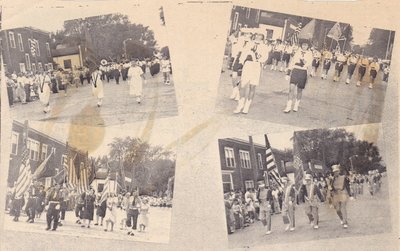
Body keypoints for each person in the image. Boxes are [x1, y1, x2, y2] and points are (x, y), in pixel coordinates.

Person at [233, 32, 264, 114]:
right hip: (247, 65)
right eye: (257, 35)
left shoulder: (264, 47)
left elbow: (264, 58)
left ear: (262, 38)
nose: (258, 37)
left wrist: (256, 55)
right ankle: (240, 105)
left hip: (256, 66)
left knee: (252, 87)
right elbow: (243, 55)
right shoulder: (249, 44)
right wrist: (241, 65)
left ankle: (246, 106)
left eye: (260, 36)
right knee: (242, 85)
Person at [283, 40, 313, 113]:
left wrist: (303, 62)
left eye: (306, 45)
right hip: (295, 71)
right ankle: (288, 106)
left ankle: (296, 105)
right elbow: (292, 62)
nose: (304, 46)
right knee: (291, 88)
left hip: (303, 71)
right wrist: (288, 72)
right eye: (303, 45)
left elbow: (308, 64)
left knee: (299, 90)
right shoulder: (297, 52)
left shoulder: (309, 54)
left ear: (308, 46)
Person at [329, 164, 352, 228]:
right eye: (334, 172)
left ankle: (345, 222)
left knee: (343, 208)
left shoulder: (343, 178)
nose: (336, 173)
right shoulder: (332, 179)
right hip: (336, 194)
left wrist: (350, 195)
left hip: (343, 193)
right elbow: (330, 188)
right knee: (338, 210)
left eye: (337, 171)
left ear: (339, 171)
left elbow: (347, 186)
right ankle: (342, 218)